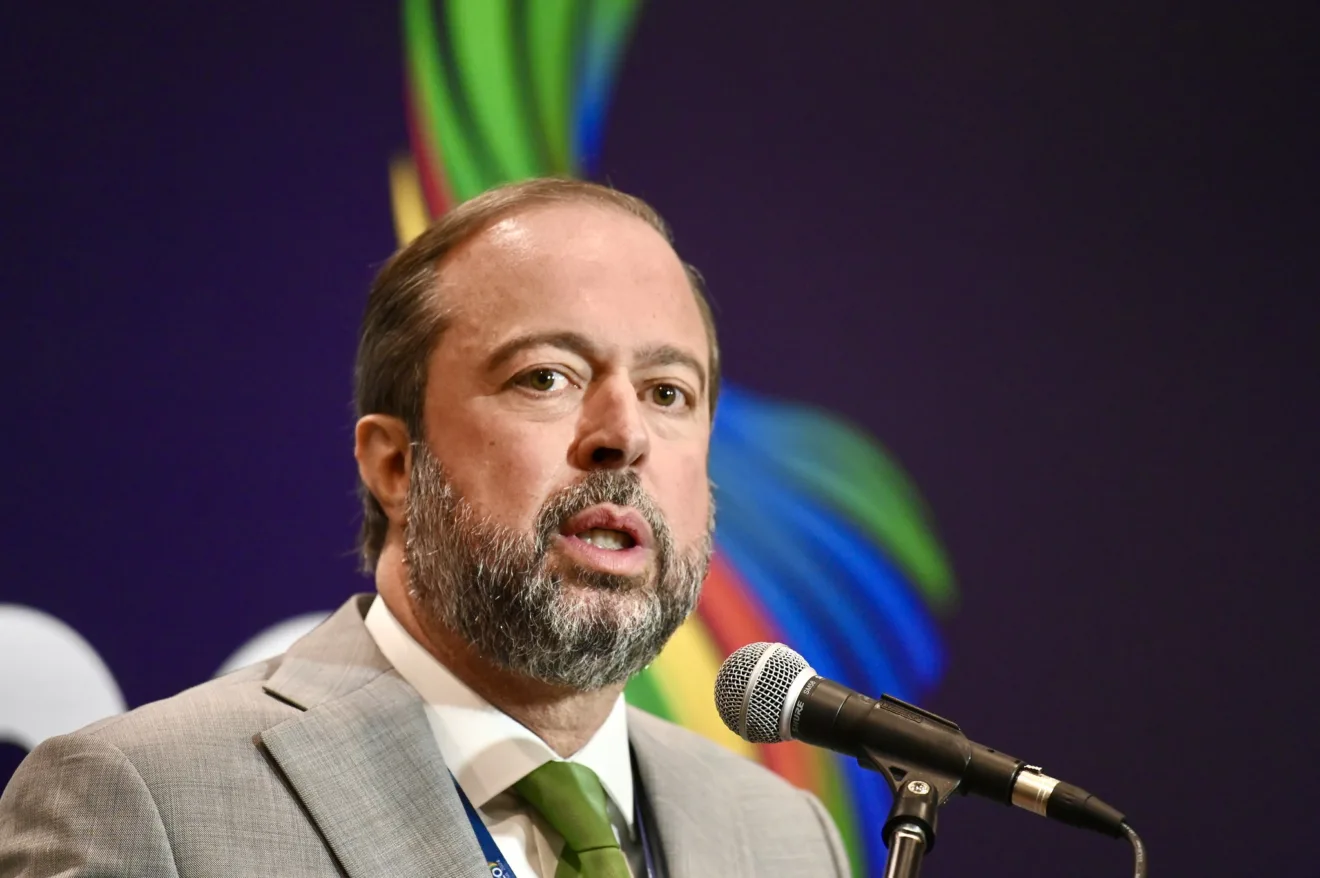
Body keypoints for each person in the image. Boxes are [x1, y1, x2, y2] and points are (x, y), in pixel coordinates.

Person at [0, 179, 849, 877]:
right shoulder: (145, 803)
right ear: (395, 466)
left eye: (669, 393)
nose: (622, 433)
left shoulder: (784, 840)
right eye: (546, 376)